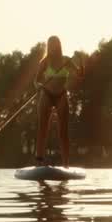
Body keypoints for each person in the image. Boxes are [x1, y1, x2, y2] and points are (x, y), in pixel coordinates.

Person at [34, 35, 76, 167]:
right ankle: (39, 162)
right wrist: (38, 85)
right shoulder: (44, 62)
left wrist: (80, 69)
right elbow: (36, 80)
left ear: (59, 45)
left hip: (61, 95)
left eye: (55, 44)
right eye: (50, 44)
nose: (53, 47)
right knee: (43, 128)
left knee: (63, 131)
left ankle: (66, 164)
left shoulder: (66, 60)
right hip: (46, 93)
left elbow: (79, 74)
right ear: (48, 46)